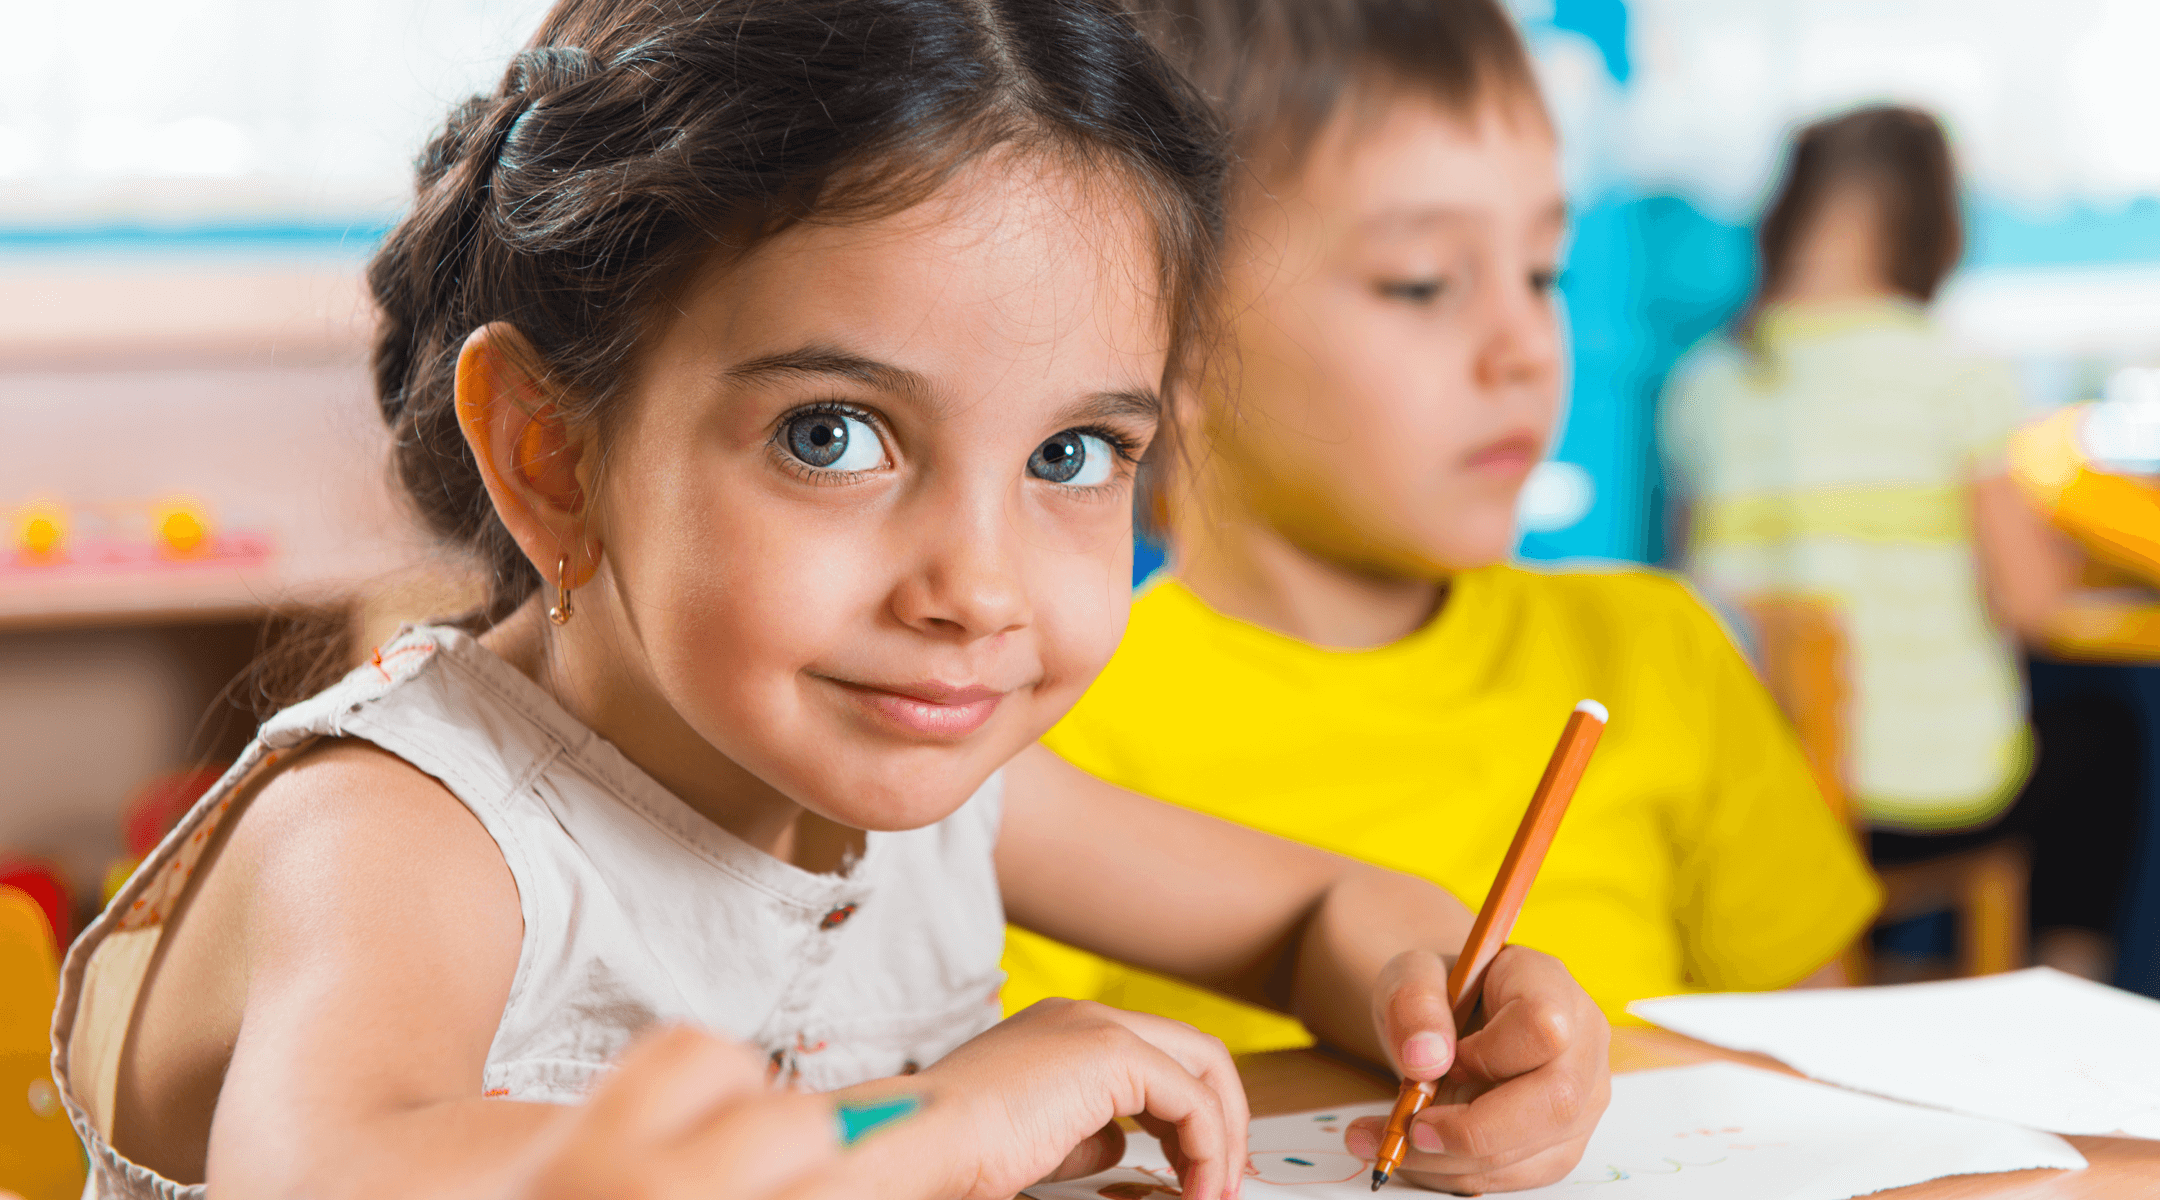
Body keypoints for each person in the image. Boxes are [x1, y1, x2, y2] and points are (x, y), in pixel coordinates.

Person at [49, 2, 1610, 1198]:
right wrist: (912, 1127)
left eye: (1074, 452)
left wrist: (1458, 1004)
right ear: (553, 457)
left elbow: (1315, 914)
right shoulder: (410, 832)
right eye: (833, 436)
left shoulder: (928, 786)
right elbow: (331, 1175)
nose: (978, 586)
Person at [1000, 0, 1879, 1064]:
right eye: (1423, 283)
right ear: (1165, 335)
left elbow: (1825, 1071)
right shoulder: (1043, 726)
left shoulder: (1658, 653)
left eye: (1542, 273)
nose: (1524, 345)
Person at [1663, 106, 2139, 980]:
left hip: (1764, 796)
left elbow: (1696, 591)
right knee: (2105, 740)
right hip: (1923, 801)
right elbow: (2032, 605)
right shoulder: (1954, 375)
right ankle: (2069, 1008)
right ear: (1932, 223)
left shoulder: (1704, 382)